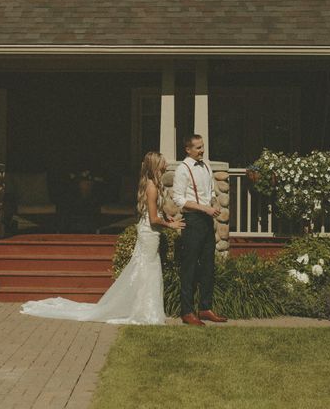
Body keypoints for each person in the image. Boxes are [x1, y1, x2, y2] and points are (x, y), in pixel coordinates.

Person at [20, 152, 184, 325]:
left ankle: (146, 309)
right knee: (148, 268)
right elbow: (153, 219)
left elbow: (156, 212)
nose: (166, 163)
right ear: (156, 165)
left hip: (150, 232)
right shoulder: (152, 187)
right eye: (163, 161)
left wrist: (166, 217)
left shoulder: (154, 185)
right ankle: (145, 311)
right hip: (149, 232)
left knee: (147, 268)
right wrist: (169, 225)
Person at [172, 134, 228, 326]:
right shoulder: (182, 169)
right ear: (188, 149)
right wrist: (204, 208)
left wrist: (213, 202)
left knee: (208, 265)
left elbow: (210, 191)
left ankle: (205, 308)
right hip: (193, 220)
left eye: (202, 147)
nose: (202, 151)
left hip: (206, 220)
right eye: (198, 148)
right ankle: (187, 312)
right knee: (189, 267)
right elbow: (178, 199)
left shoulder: (206, 166)